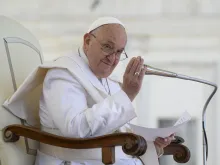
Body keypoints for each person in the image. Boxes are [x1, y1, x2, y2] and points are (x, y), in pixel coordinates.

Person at [8, 17, 173, 165]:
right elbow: (75, 129)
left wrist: (150, 145)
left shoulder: (112, 83)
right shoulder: (63, 74)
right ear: (87, 41)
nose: (113, 59)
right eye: (108, 47)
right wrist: (127, 95)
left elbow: (119, 134)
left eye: (119, 52)